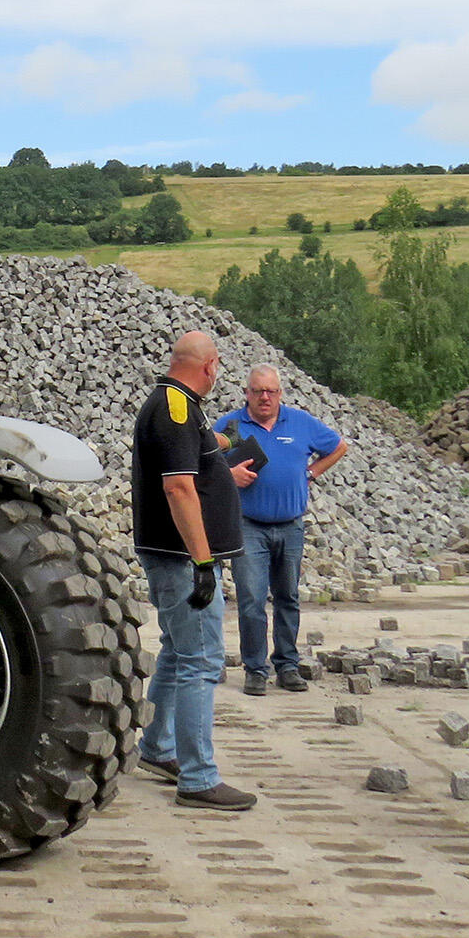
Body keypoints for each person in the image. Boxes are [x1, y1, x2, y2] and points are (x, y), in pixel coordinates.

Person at [130, 329, 259, 812]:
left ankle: (159, 748)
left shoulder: (175, 406)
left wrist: (218, 443)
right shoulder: (177, 410)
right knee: (201, 660)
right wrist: (204, 562)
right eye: (218, 367)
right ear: (209, 366)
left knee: (177, 652)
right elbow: (179, 489)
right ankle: (199, 777)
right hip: (182, 559)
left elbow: (189, 465)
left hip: (174, 557)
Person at [215, 364, 348, 694]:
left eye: (271, 391)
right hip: (248, 526)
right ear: (246, 393)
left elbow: (339, 446)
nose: (264, 397)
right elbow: (202, 461)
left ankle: (287, 665)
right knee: (251, 600)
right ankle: (255, 669)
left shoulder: (300, 423)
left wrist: (311, 473)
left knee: (288, 597)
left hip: (290, 526)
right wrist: (227, 476)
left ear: (280, 394)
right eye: (257, 391)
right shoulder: (230, 426)